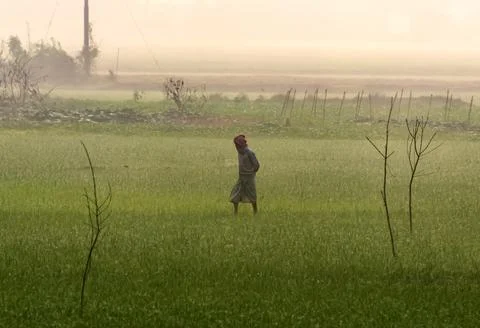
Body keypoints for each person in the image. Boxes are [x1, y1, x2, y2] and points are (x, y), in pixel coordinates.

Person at [229, 134, 260, 215]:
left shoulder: (250, 152)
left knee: (252, 194)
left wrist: (250, 172)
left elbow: (256, 165)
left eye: (237, 145)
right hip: (241, 177)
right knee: (236, 193)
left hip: (249, 177)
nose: (236, 147)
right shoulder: (240, 152)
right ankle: (235, 212)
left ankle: (255, 211)